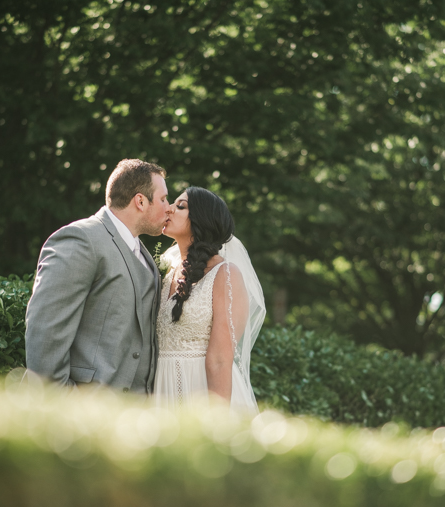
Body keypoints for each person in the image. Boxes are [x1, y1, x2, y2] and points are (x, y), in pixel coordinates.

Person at [25, 159, 169, 393]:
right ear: (140, 201)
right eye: (163, 199)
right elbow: (45, 331)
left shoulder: (143, 253)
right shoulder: (81, 239)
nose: (169, 207)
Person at [154, 187, 265, 414]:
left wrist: (216, 422)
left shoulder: (226, 275)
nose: (169, 209)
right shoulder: (168, 273)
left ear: (201, 220)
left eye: (181, 206)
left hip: (203, 392)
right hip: (162, 392)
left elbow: (220, 360)